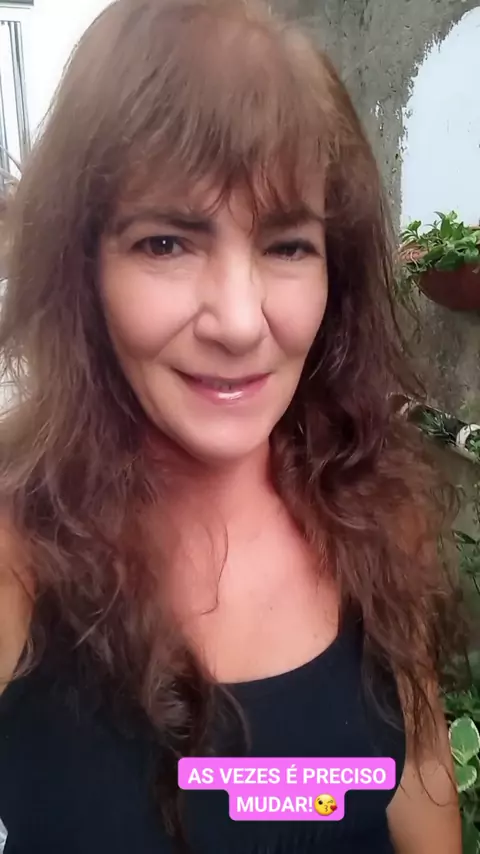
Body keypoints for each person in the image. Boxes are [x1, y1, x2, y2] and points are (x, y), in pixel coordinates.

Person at [0, 0, 463, 852]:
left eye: (287, 246)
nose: (241, 322)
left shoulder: (377, 517)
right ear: (81, 266)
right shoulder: (17, 557)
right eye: (167, 244)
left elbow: (413, 792)